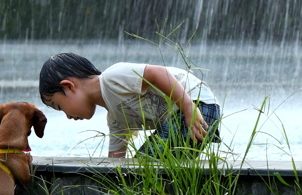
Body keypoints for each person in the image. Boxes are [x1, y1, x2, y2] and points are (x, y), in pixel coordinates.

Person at [38, 52, 221, 158]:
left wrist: (189, 108)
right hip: (185, 116)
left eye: (59, 107)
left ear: (69, 87)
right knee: (141, 170)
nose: (67, 116)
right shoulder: (116, 118)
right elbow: (115, 160)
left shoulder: (112, 78)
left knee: (146, 166)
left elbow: (157, 73)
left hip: (196, 105)